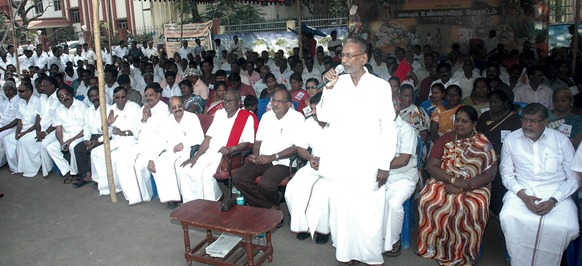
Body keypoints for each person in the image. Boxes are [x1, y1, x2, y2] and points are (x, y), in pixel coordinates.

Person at [316, 37, 397, 265]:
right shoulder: (337, 84)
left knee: (368, 212)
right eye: (342, 55)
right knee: (343, 211)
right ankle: (346, 254)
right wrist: (328, 89)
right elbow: (323, 116)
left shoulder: (380, 86)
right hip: (341, 159)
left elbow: (388, 127)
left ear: (364, 58)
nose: (344, 60)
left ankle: (370, 257)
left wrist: (384, 164)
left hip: (369, 160)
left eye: (349, 55)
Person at [500, 103, 579, 265]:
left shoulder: (561, 141)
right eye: (525, 120)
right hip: (521, 190)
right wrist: (523, 196)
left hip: (556, 192)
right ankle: (519, 261)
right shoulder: (511, 139)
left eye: (534, 121)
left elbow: (573, 179)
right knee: (508, 217)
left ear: (546, 122)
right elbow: (507, 174)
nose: (527, 125)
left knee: (569, 227)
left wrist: (553, 200)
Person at [417, 106, 497, 265]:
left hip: (475, 183)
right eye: (457, 120)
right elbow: (431, 166)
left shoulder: (482, 143)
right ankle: (434, 247)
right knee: (429, 199)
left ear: (474, 123)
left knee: (474, 205)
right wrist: (453, 181)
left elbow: (490, 174)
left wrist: (462, 186)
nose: (459, 124)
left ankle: (464, 251)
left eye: (464, 121)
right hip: (446, 178)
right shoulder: (445, 138)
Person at [178, 90, 257, 203]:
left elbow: (246, 142)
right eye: (225, 100)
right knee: (186, 170)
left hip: (227, 155)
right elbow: (208, 137)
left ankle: (214, 201)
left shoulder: (246, 117)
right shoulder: (219, 114)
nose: (227, 103)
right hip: (210, 152)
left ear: (239, 102)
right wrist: (196, 157)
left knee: (206, 175)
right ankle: (193, 202)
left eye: (231, 100)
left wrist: (232, 148)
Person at [232, 88, 304, 209]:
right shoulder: (266, 116)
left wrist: (272, 157)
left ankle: (268, 206)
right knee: (239, 177)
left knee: (266, 184)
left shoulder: (297, 118)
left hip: (284, 162)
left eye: (279, 101)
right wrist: (255, 155)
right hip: (262, 159)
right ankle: (269, 206)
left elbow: (297, 147)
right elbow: (257, 141)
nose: (274, 104)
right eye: (273, 100)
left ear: (288, 104)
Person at [284, 92, 331, 244]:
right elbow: (300, 148)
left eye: (317, 109)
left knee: (321, 192)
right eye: (312, 109)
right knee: (293, 187)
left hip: (334, 166)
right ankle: (303, 226)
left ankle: (322, 229)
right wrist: (310, 158)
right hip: (313, 162)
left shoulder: (339, 123)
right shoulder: (309, 122)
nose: (314, 112)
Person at [115, 84, 169, 205]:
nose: (148, 98)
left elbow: (162, 133)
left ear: (158, 95)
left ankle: (144, 195)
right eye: (146, 96)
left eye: (151, 95)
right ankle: (131, 194)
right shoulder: (143, 107)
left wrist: (148, 119)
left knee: (138, 166)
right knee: (123, 160)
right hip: (141, 143)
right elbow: (136, 127)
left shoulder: (164, 109)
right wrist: (143, 120)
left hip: (157, 146)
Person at [147, 96, 204, 209]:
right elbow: (159, 141)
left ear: (183, 106)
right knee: (159, 164)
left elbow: (200, 137)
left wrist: (183, 144)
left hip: (188, 150)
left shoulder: (192, 118)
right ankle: (172, 197)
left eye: (179, 106)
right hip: (170, 151)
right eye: (174, 107)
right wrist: (152, 158)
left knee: (178, 166)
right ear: (169, 109)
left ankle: (183, 196)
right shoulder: (167, 121)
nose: (177, 109)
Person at [476, 90, 521, 215]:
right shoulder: (485, 116)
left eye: (496, 102)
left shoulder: (515, 119)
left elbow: (517, 141)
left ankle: (498, 208)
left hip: (506, 156)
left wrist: (501, 155)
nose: (493, 105)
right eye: (491, 102)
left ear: (505, 103)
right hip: (485, 154)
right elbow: (478, 136)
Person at [382, 104, 418, 257]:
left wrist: (378, 166)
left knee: (393, 203)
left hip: (403, 177)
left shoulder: (406, 129)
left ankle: (392, 240)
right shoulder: (377, 127)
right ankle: (367, 239)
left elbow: (403, 160)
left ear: (396, 108)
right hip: (379, 174)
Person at [91, 86, 141, 196]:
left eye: (123, 97)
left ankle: (121, 187)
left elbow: (138, 129)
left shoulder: (134, 107)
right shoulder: (111, 109)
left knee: (116, 158)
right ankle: (105, 185)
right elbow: (104, 130)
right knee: (96, 153)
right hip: (115, 140)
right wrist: (107, 124)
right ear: (113, 98)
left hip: (130, 142)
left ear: (127, 96)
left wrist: (124, 132)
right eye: (117, 98)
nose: (120, 100)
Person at [44, 87, 87, 183]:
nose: (65, 98)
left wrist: (70, 140)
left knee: (72, 146)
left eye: (67, 95)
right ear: (59, 100)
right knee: (50, 147)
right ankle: (67, 170)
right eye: (62, 97)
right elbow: (58, 130)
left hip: (81, 135)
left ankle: (74, 174)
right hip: (66, 136)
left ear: (71, 95)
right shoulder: (58, 109)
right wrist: (62, 142)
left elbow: (86, 129)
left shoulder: (82, 106)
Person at [4, 83, 41, 176]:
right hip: (23, 129)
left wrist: (24, 133)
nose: (19, 93)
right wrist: (18, 132)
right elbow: (20, 119)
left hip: (33, 129)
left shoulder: (37, 102)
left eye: (21, 91)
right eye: (18, 91)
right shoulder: (21, 102)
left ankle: (29, 170)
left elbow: (37, 123)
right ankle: (15, 168)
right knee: (7, 139)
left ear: (29, 92)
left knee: (22, 141)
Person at [72, 86, 106, 188]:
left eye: (97, 95)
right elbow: (86, 126)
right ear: (89, 98)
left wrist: (98, 141)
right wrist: (86, 139)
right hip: (92, 137)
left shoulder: (108, 108)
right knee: (78, 148)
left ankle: (99, 178)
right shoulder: (88, 110)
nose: (95, 97)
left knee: (95, 151)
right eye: (92, 96)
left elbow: (110, 130)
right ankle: (87, 175)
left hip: (104, 138)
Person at [0, 82, 19, 167]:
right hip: (2, 125)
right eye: (5, 90)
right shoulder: (5, 102)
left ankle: (1, 161)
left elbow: (17, 120)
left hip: (12, 127)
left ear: (15, 89)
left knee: (1, 137)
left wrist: (2, 128)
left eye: (9, 89)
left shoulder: (19, 100)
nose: (7, 92)